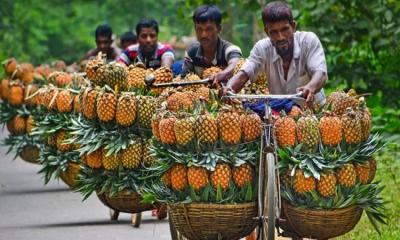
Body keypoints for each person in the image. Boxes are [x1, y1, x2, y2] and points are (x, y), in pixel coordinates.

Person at [223, 1, 328, 107]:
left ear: (293, 26)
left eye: (285, 29)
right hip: (282, 116)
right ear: (266, 32)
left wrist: (310, 87)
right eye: (274, 32)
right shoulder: (262, 48)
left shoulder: (308, 41)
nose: (280, 37)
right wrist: (229, 87)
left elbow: (320, 73)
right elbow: (243, 74)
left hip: (315, 112)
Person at [181, 5, 242, 85]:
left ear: (219, 29)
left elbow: (236, 65)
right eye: (199, 29)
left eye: (209, 29)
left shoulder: (231, 50)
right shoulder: (192, 52)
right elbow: (184, 79)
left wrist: (221, 75)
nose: (203, 35)